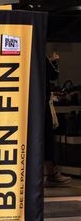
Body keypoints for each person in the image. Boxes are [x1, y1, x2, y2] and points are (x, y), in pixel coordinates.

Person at [44, 52, 71, 187]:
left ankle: (50, 172)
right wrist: (54, 61)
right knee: (46, 138)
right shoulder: (38, 53)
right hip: (41, 103)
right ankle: (51, 173)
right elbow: (53, 74)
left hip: (31, 102)